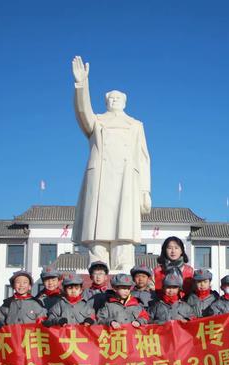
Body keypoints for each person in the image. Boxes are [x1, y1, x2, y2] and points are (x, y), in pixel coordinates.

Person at [71, 55, 152, 271]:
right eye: (111, 98)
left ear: (125, 101)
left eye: (118, 98)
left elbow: (143, 158)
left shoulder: (135, 125)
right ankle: (98, 268)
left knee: (124, 232)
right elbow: (82, 112)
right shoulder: (97, 121)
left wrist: (145, 190)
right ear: (105, 101)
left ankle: (123, 267)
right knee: (98, 231)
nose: (114, 101)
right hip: (101, 180)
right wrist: (81, 85)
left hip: (127, 181)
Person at [44, 273, 96, 365]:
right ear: (65, 289)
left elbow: (94, 320)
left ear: (81, 289)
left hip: (81, 349)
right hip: (64, 347)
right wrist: (58, 320)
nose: (73, 291)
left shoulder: (86, 306)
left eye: (76, 288)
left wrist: (89, 321)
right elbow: (49, 319)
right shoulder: (59, 304)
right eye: (70, 288)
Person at [97, 274, 149, 365]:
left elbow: (146, 316)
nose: (125, 291)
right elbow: (99, 318)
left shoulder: (136, 305)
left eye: (127, 288)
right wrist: (110, 321)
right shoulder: (108, 305)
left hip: (132, 347)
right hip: (114, 347)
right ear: (114, 288)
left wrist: (139, 321)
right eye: (121, 288)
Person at [149, 272, 195, 365]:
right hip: (163, 346)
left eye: (174, 287)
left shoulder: (185, 307)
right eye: (168, 287)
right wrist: (161, 324)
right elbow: (148, 323)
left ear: (179, 289)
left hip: (181, 347)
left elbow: (194, 323)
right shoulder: (156, 306)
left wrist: (186, 323)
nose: (170, 290)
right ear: (163, 288)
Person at [186, 269, 219, 365]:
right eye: (199, 282)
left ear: (210, 283)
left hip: (210, 336)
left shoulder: (215, 298)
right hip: (194, 337)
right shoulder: (190, 298)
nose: (202, 285)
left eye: (205, 282)